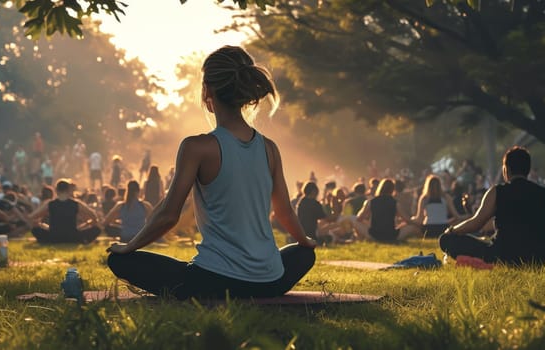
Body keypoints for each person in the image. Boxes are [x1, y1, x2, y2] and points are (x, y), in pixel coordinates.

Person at [106, 46, 316, 300]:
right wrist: (304, 242)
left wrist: (129, 246)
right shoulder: (269, 149)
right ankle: (273, 272)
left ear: (207, 90)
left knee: (120, 261)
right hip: (269, 282)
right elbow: (283, 211)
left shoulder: (197, 147)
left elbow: (168, 214)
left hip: (212, 283)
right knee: (303, 254)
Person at [439, 147, 545, 265]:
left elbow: (476, 223)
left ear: (506, 169)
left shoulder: (497, 191)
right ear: (527, 169)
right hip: (540, 254)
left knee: (446, 240)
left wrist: (451, 231)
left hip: (502, 254)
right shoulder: (543, 193)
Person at [28, 179, 101, 244]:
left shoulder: (50, 204)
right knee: (97, 229)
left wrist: (41, 225)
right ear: (69, 190)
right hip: (73, 237)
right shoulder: (76, 203)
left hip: (53, 237)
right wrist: (87, 223)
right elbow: (93, 216)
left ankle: (44, 240)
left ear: (56, 190)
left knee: (35, 229)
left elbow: (32, 217)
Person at [354, 178, 420, 242]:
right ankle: (423, 236)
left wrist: (367, 223)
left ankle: (360, 239)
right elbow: (407, 220)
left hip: (374, 235)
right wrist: (419, 224)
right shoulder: (395, 203)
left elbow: (359, 219)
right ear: (392, 190)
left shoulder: (370, 202)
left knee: (353, 220)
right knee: (411, 226)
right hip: (391, 235)